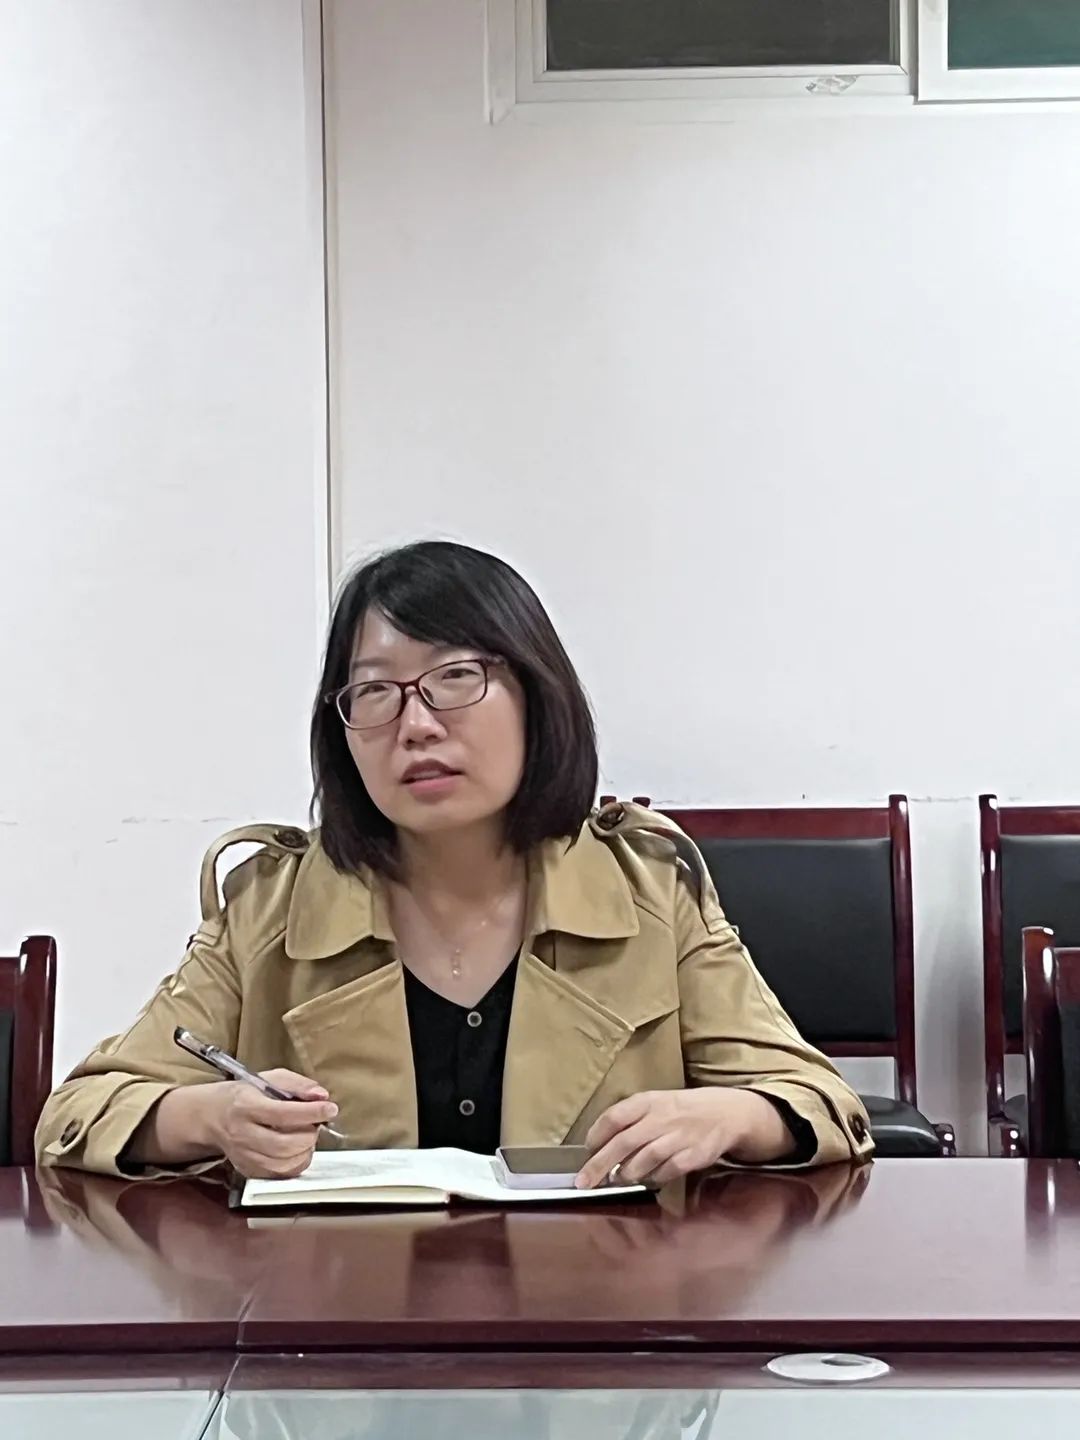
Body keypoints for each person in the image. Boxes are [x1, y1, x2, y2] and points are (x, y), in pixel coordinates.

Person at [35, 541, 873, 1183]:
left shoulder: (648, 891)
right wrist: (209, 1117)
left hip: (599, 1315)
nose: (417, 724)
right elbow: (77, 1113)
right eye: (375, 691)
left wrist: (727, 1116)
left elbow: (820, 1101)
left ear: (537, 695)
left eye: (456, 677)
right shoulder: (271, 906)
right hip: (335, 1320)